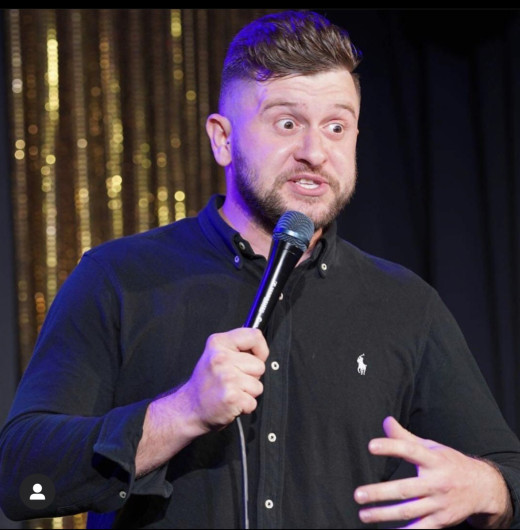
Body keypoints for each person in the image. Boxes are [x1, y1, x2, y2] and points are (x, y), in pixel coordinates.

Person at [1, 9, 520, 529]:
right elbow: (21, 478)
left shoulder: (404, 304)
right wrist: (180, 413)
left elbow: (509, 471)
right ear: (222, 139)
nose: (315, 152)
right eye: (287, 123)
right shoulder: (119, 278)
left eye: (336, 127)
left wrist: (487, 486)